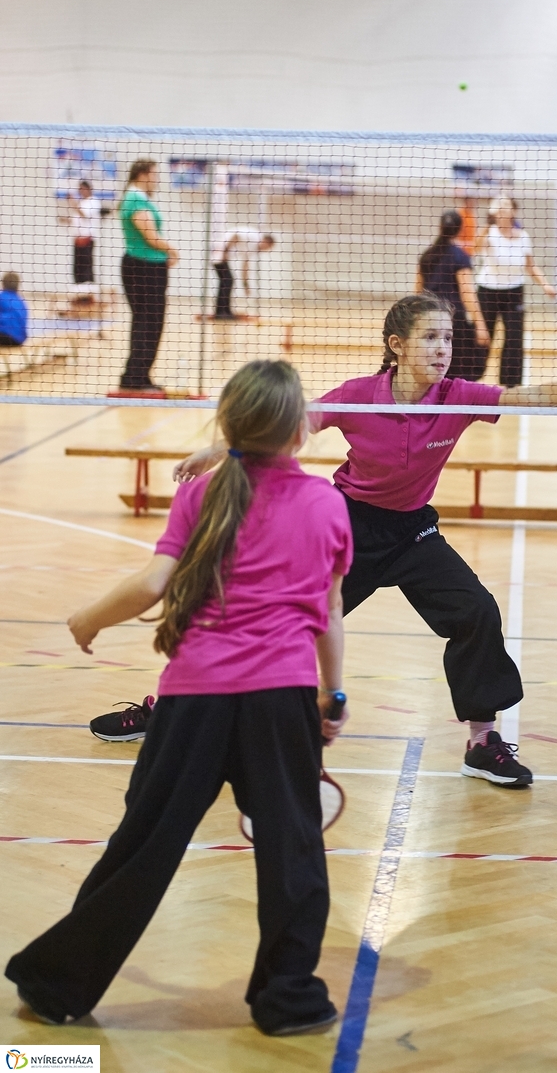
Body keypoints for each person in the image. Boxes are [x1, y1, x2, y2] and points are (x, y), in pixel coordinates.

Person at [135, 292, 557, 790]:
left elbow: (533, 395)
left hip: (412, 531)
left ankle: (482, 742)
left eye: (447, 338)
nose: (442, 349)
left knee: (476, 613)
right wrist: (217, 451)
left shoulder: (459, 398)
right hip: (349, 526)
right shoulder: (358, 395)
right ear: (397, 344)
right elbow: (287, 423)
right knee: (278, 621)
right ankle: (173, 708)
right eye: (429, 338)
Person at [6, 360, 353, 1036]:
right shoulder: (327, 504)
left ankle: (57, 984)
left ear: (228, 426)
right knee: (293, 850)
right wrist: (332, 695)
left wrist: (88, 619)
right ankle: (288, 999)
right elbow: (329, 612)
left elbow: (153, 582)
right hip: (280, 700)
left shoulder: (202, 494)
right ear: (298, 433)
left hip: (194, 701)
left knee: (143, 844)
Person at [474, 196, 556, 387]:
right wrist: (488, 223)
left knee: (514, 338)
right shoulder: (490, 233)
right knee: (484, 336)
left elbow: (530, 265)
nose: (502, 209)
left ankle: (511, 385)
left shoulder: (523, 237)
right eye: (499, 207)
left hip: (514, 292)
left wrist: (545, 285)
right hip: (488, 292)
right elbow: (475, 248)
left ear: (513, 211)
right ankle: (473, 377)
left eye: (506, 206)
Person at [118, 160, 179, 392]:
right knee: (148, 322)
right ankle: (134, 377)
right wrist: (172, 250)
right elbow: (151, 237)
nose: (157, 179)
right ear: (142, 175)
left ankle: (139, 376)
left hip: (148, 266)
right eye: (155, 174)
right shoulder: (135, 200)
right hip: (144, 268)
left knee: (149, 322)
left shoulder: (138, 199)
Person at [415, 209, 490, 380]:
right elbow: (467, 293)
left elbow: (418, 292)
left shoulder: (427, 256)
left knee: (434, 367)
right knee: (458, 371)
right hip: (453, 322)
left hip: (429, 318)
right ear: (460, 229)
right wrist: (480, 324)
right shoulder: (461, 257)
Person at [213, 229, 275, 319]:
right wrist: (225, 252)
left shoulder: (254, 248)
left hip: (221, 255)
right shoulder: (254, 237)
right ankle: (221, 312)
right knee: (227, 281)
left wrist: (245, 285)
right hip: (218, 252)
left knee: (227, 281)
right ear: (266, 242)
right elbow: (235, 236)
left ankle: (224, 311)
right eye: (268, 247)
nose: (266, 250)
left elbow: (245, 266)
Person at [66, 181, 101, 292]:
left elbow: (84, 215)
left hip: (87, 239)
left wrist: (72, 202)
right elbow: (77, 220)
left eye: (82, 189)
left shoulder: (93, 202)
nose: (80, 191)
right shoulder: (82, 203)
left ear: (88, 189)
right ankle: (78, 293)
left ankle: (89, 293)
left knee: (86, 267)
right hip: (77, 239)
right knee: (77, 268)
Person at [0, 271, 28, 347]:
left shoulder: (2, 297)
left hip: (6, 336)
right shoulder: (20, 301)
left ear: (3, 283)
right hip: (19, 339)